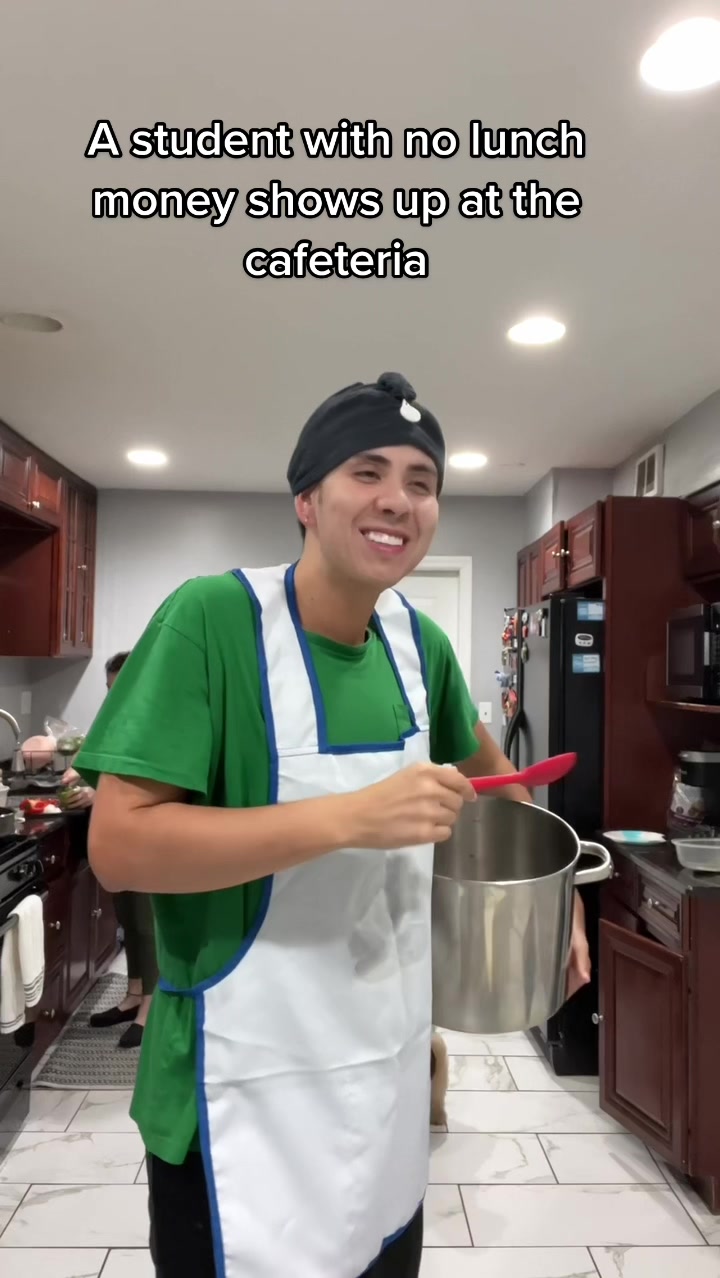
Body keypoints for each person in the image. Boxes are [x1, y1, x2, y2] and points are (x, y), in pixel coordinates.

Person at [74, 371, 590, 1278]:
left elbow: (501, 784)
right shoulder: (212, 622)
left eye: (422, 482)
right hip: (231, 1099)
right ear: (306, 499)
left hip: (382, 1089)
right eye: (367, 471)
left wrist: (561, 903)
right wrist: (351, 816)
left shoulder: (419, 647)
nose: (398, 499)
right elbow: (119, 848)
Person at [63, 651, 158, 1048]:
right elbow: (94, 761)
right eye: (108, 689)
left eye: (119, 688)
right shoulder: (118, 719)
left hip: (148, 836)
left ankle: (150, 1009)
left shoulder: (154, 719)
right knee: (127, 916)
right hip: (120, 835)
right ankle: (133, 994)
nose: (112, 696)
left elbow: (146, 781)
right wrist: (80, 775)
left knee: (147, 923)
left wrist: (95, 793)